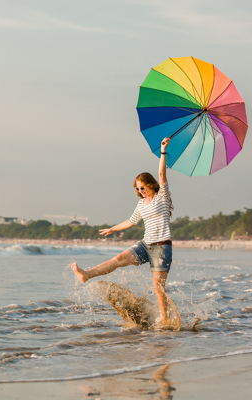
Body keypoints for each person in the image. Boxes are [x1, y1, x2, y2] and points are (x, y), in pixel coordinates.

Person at [71, 137, 175, 326]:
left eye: (142, 187)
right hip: (146, 245)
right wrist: (112, 228)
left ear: (150, 184)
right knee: (118, 260)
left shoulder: (162, 196)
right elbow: (131, 221)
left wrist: (162, 150)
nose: (140, 190)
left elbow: (161, 172)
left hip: (161, 247)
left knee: (158, 288)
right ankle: (86, 275)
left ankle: (166, 322)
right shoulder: (141, 203)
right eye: (137, 188)